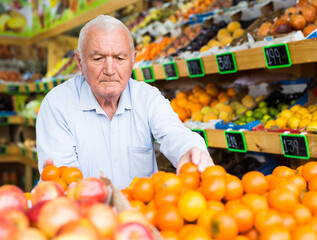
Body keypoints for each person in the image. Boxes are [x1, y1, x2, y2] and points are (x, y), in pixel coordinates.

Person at [36, 15, 214, 189]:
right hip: (85, 215)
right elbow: (66, 182)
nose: (110, 70)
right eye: (98, 59)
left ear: (133, 60)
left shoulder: (147, 98)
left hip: (143, 213)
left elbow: (174, 133)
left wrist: (191, 149)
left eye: (120, 58)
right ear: (80, 62)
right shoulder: (57, 104)